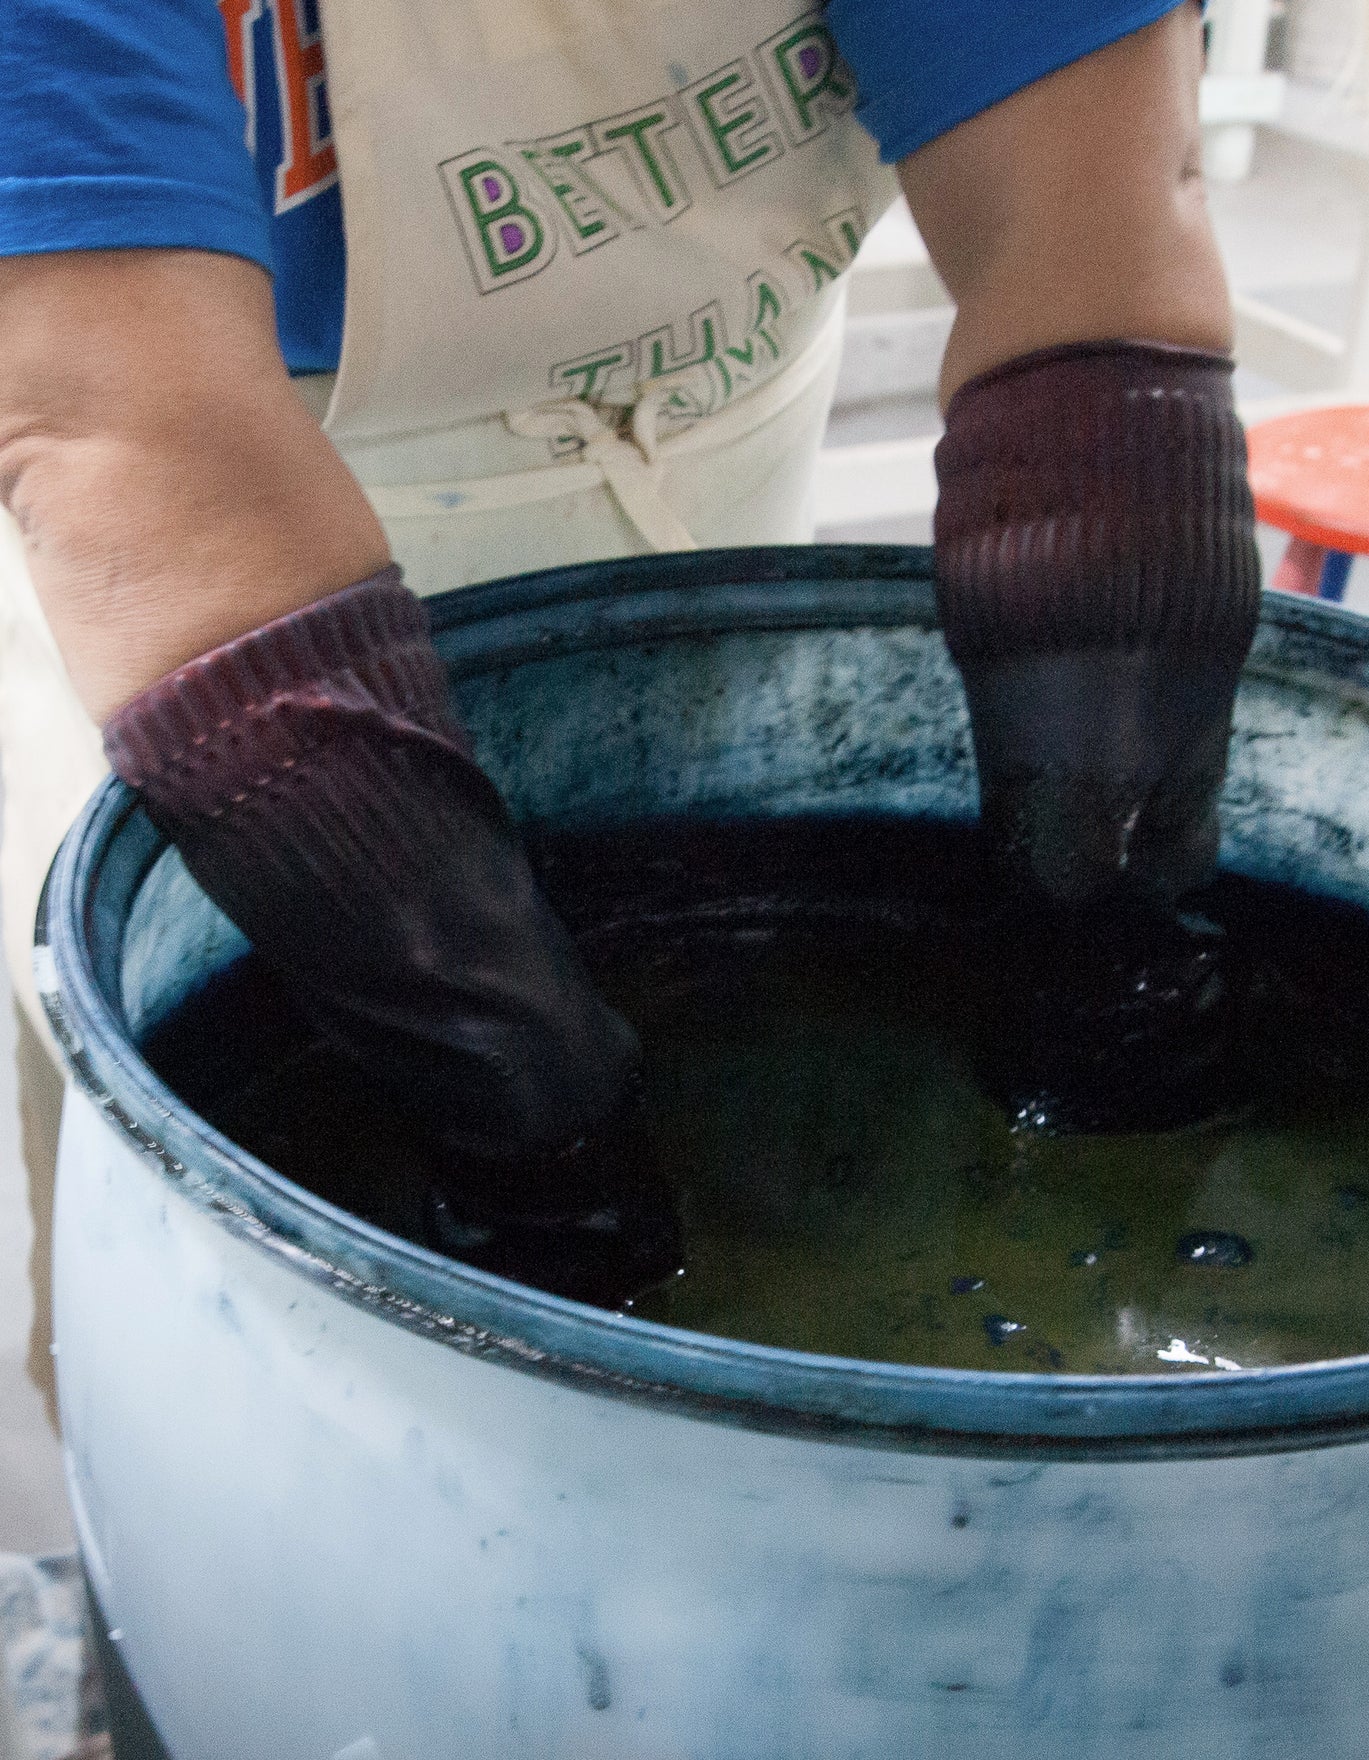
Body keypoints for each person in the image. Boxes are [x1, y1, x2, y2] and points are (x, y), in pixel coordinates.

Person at [0, 0, 1259, 1313]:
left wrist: (1108, 968)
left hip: (721, 448)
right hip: (235, 618)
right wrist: (542, 1144)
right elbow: (129, 433)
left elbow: (1083, 241)